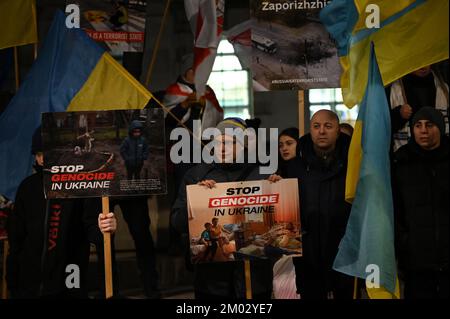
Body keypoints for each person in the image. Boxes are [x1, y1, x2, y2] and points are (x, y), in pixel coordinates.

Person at [6, 128, 117, 299]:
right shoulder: (27, 187)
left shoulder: (80, 185)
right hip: (29, 286)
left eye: (46, 153)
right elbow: (16, 239)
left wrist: (106, 229)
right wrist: (13, 280)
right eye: (38, 154)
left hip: (70, 282)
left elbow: (93, 231)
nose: (41, 158)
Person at [171, 118, 274, 299]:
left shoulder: (263, 175)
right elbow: (177, 222)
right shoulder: (196, 175)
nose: (223, 147)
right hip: (212, 283)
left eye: (231, 142)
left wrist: (278, 189)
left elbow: (275, 221)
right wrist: (197, 199)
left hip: (255, 279)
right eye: (218, 142)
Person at [271, 110, 353, 299]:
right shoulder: (294, 167)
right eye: (316, 126)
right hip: (308, 255)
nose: (321, 131)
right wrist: (275, 186)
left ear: (338, 131)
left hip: (344, 251)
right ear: (310, 130)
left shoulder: (353, 164)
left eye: (328, 126)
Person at [392, 107, 449, 299]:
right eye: (418, 125)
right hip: (416, 263)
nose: (423, 130)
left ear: (440, 128)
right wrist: (405, 243)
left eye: (429, 125)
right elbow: (396, 212)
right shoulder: (401, 162)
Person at [387, 65, 449, 152]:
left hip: (439, 154)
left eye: (427, 60)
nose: (423, 66)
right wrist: (398, 114)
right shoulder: (394, 89)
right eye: (420, 62)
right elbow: (381, 126)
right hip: (407, 156)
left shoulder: (443, 88)